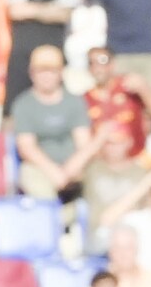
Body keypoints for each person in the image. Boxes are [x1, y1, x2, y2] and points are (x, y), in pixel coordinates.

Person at [11, 45, 97, 202]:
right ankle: (51, 215)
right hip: (40, 167)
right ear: (32, 73)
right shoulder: (23, 105)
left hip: (76, 166)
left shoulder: (75, 101)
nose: (46, 76)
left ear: (61, 72)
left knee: (98, 176)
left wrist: (70, 170)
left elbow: (84, 143)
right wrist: (54, 172)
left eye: (52, 71)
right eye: (41, 71)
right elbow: (27, 148)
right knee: (33, 180)